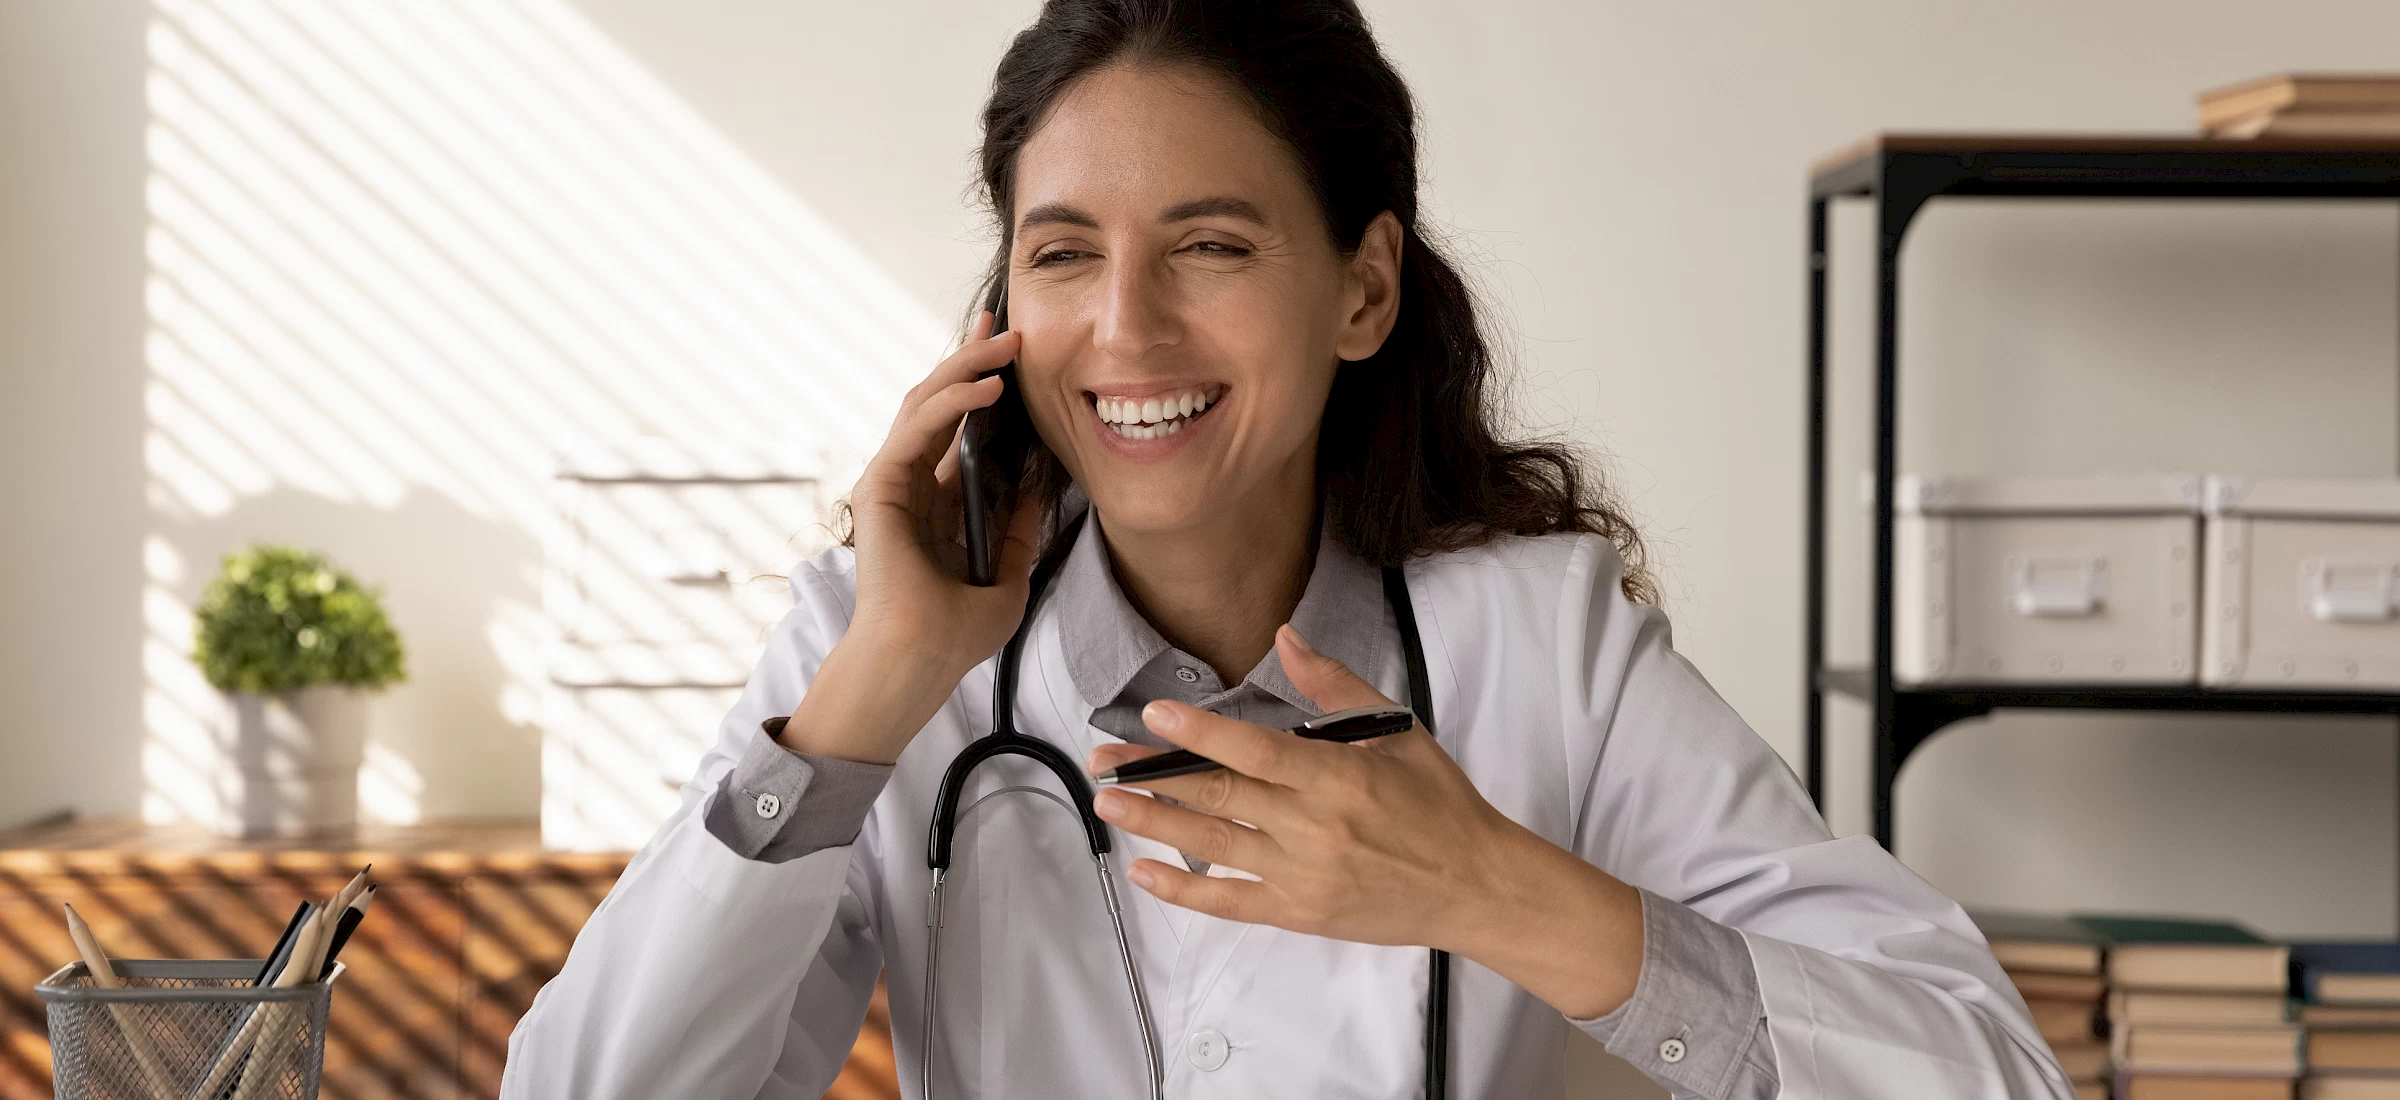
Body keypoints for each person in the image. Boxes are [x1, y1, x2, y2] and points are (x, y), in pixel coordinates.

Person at [502, 1, 2074, 1097]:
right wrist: (869, 698)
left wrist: (1492, 886)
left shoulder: (1543, 643)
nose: (1124, 329)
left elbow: (1988, 1073)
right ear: (1003, 316)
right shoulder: (876, 653)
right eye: (1063, 255)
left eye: (1211, 245)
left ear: (1364, 291)